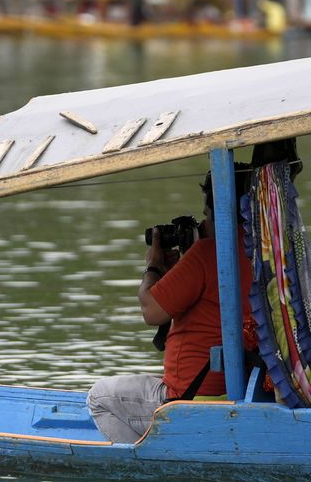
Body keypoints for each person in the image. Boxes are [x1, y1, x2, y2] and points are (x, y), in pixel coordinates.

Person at [86, 166, 255, 443]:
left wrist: (152, 266)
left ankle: (145, 461)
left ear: (215, 210)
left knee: (99, 396)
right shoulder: (262, 249)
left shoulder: (208, 252)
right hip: (240, 389)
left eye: (205, 213)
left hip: (192, 398)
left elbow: (151, 311)